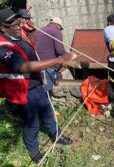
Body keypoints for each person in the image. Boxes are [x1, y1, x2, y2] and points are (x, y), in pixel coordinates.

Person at [0, 8, 76, 163]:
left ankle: (57, 135)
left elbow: (33, 42)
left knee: (49, 113)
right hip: (24, 90)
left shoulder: (18, 35)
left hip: (37, 85)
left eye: (19, 23)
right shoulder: (3, 48)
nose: (19, 26)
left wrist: (32, 28)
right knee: (32, 123)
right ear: (3, 28)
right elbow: (24, 67)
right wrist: (58, 60)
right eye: (14, 25)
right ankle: (34, 150)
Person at [35, 17, 68, 96]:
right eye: (60, 28)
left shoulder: (39, 30)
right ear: (58, 26)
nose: (60, 29)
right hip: (49, 65)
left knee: (41, 91)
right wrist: (69, 55)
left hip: (38, 64)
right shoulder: (56, 31)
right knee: (47, 93)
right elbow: (60, 51)